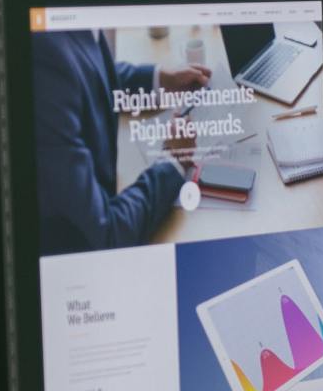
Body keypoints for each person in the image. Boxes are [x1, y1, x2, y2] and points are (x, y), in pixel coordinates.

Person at [33, 28, 212, 254]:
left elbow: (86, 74)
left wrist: (158, 81)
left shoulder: (66, 32)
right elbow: (108, 234)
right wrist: (173, 159)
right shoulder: (45, 57)